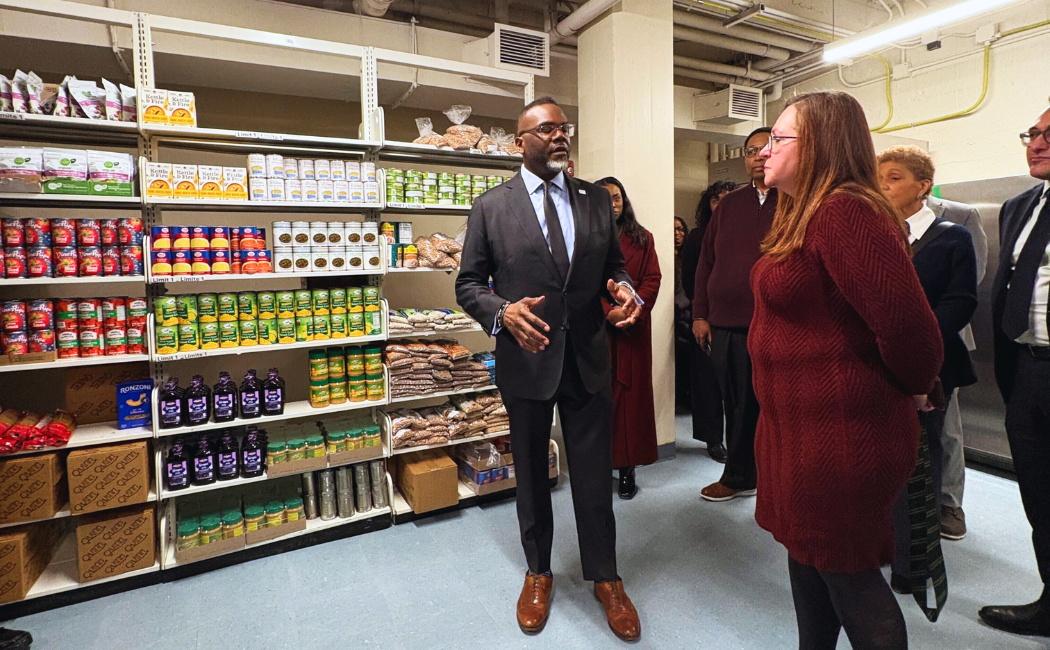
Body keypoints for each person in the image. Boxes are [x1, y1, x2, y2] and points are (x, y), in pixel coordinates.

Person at [753, 91, 943, 650]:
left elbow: (913, 334)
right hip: (798, 434)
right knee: (809, 560)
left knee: (849, 577)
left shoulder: (846, 211)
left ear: (819, 148)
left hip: (840, 439)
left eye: (779, 139)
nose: (765, 150)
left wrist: (913, 390)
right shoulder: (802, 213)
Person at [455, 96, 643, 642]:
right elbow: (468, 284)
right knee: (532, 475)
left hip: (587, 357)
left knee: (592, 473)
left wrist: (625, 291)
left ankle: (605, 577)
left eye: (565, 128)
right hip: (527, 359)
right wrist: (501, 313)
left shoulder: (594, 201)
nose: (560, 136)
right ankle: (538, 574)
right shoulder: (492, 206)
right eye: (546, 130)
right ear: (521, 142)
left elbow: (614, 267)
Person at [877, 145, 978, 597]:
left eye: (894, 177)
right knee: (882, 456)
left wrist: (916, 342)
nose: (883, 185)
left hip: (934, 363)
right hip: (876, 362)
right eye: (878, 177)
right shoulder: (875, 234)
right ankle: (882, 543)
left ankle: (913, 559)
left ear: (922, 187)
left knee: (923, 456)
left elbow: (961, 300)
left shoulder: (952, 236)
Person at [979, 104, 1050, 637]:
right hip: (1026, 369)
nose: (1036, 143)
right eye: (1033, 133)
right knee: (1039, 492)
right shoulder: (1018, 206)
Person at [692, 131, 777, 500]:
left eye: (765, 149)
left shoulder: (796, 201)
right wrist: (700, 314)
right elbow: (705, 262)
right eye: (751, 151)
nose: (758, 157)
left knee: (762, 406)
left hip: (770, 323)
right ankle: (745, 474)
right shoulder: (730, 204)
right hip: (724, 324)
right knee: (736, 404)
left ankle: (743, 476)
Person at [596, 177, 661, 501]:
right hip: (598, 332)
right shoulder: (587, 240)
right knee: (600, 400)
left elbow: (652, 279)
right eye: (606, 198)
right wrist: (608, 311)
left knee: (631, 402)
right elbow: (581, 285)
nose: (613, 203)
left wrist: (633, 310)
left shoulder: (643, 238)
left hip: (634, 331)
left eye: (618, 197)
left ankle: (627, 469)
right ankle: (598, 466)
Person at [927, 193, 987, 541]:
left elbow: (971, 277)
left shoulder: (961, 215)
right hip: (892, 339)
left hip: (947, 337)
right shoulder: (877, 213)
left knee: (946, 427)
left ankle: (949, 503)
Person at [680, 181, 735, 460]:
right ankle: (713, 440)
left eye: (729, 198)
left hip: (738, 320)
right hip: (705, 319)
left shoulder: (745, 233)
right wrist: (701, 314)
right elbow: (689, 279)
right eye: (716, 200)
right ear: (708, 205)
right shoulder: (698, 236)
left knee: (738, 385)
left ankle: (741, 442)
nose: (722, 204)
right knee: (707, 384)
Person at [674, 217, 693, 410]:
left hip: (690, 313)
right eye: (672, 230)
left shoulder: (689, 256)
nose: (676, 234)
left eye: (680, 229)